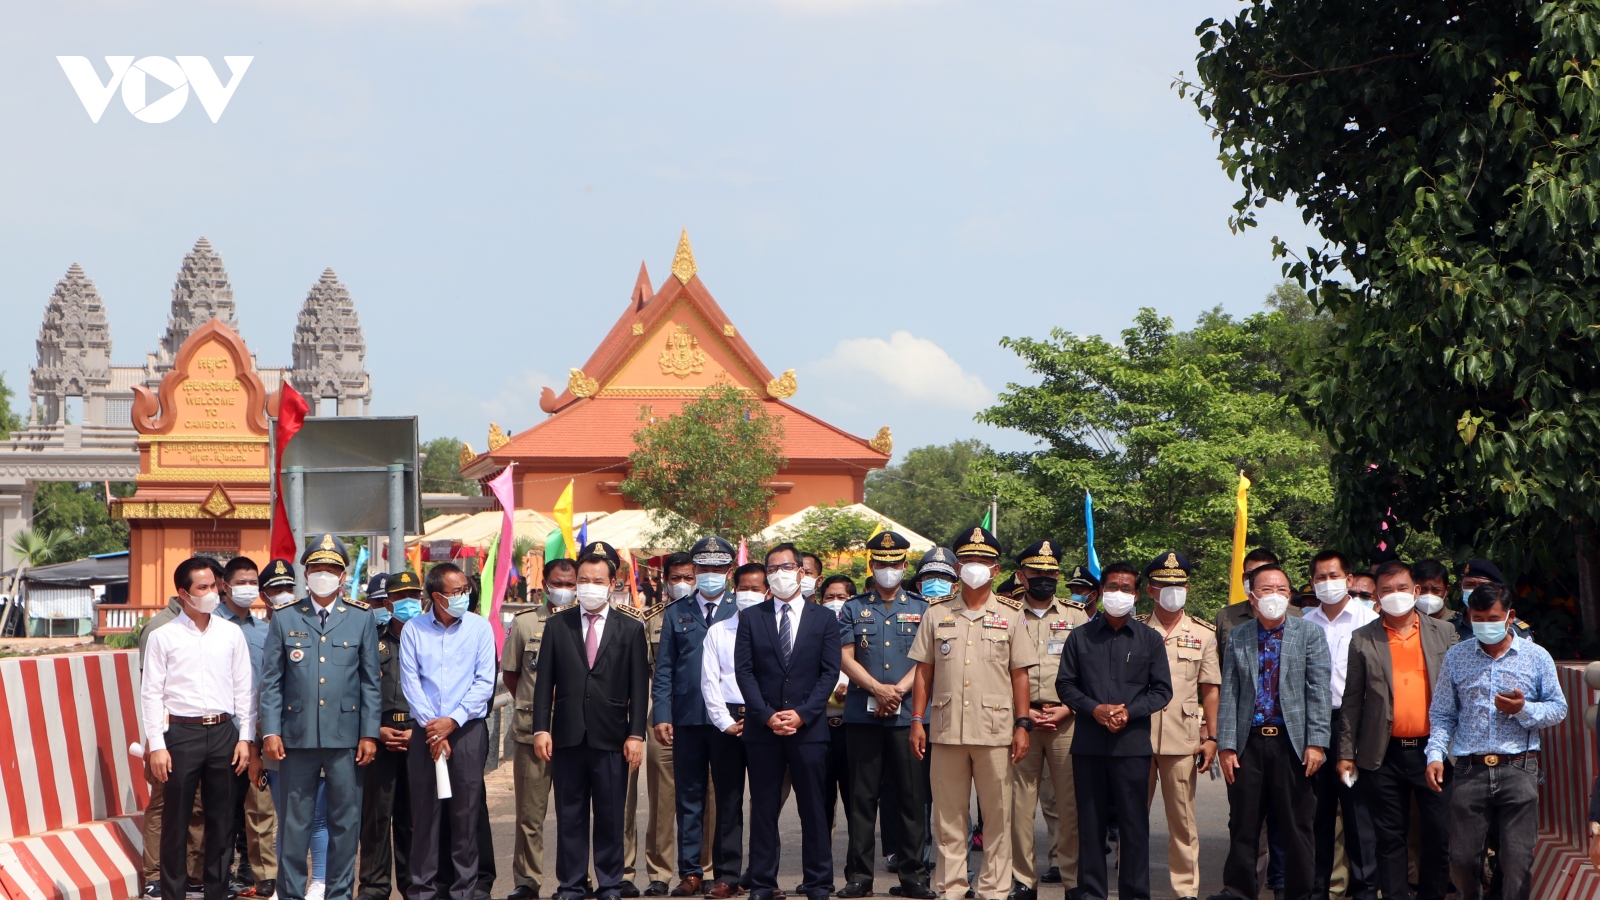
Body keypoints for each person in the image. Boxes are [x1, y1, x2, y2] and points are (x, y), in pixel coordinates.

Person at [908, 527, 1034, 900]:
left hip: (996, 732)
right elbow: (923, 672)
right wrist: (917, 721)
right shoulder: (937, 613)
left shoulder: (1012, 615)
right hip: (946, 730)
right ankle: (950, 886)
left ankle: (994, 889)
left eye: (983, 562)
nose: (974, 567)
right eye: (968, 561)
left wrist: (1023, 725)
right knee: (948, 817)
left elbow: (1020, 674)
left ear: (996, 570)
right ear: (957, 567)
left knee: (997, 816)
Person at [1425, 581, 1567, 900]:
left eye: (1492, 618)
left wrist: (1523, 709)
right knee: (1462, 860)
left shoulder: (1536, 656)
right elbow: (1443, 713)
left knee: (1517, 861)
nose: (1484, 625)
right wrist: (1435, 754)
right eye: (1477, 618)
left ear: (1509, 616)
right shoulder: (1456, 657)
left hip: (1519, 767)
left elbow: (1559, 708)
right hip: (1468, 770)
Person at [259, 535, 380, 900]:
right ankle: (292, 894)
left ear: (343, 576)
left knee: (346, 823)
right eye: (316, 569)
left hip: (346, 738)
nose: (323, 575)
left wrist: (369, 734)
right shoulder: (286, 617)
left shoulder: (361, 617)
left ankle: (339, 894)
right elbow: (271, 682)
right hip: (296, 737)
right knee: (295, 824)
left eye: (331, 569)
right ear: (306, 573)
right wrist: (270, 731)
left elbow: (370, 682)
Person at [531, 551, 651, 900]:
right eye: (583, 580)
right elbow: (544, 685)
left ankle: (610, 883)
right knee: (570, 815)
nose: (589, 587)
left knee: (611, 816)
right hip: (567, 736)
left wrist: (636, 733)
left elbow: (638, 687)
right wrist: (541, 728)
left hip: (613, 737)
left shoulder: (630, 627)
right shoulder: (557, 625)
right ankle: (571, 884)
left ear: (612, 585)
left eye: (598, 581)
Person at [1337, 560, 1458, 900]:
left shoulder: (1444, 634)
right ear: (1376, 596)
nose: (1395, 596)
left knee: (1437, 835)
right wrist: (1346, 753)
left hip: (1433, 752)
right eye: (1386, 590)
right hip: (1384, 753)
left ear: (1416, 591)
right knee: (1390, 838)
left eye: (1402, 588)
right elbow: (1352, 701)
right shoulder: (1363, 639)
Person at [1055, 554, 1173, 900]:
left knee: (1133, 826)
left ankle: (1134, 893)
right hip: (1089, 745)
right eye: (1112, 587)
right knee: (1089, 826)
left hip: (1132, 746)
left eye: (1126, 588)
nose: (1118, 592)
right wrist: (1095, 709)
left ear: (1137, 594)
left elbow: (1162, 689)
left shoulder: (1150, 640)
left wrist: (1129, 711)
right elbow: (1066, 685)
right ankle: (1092, 893)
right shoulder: (1080, 637)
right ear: (1100, 592)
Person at [1212, 563, 1332, 900]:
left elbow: (1318, 691)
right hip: (1249, 743)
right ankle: (1238, 891)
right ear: (1252, 597)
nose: (1274, 596)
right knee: (1244, 826)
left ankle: (1296, 893)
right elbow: (1230, 691)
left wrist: (1317, 742)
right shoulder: (1239, 635)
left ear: (1290, 595)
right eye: (1266, 589)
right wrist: (1226, 745)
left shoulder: (1308, 633)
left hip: (1292, 744)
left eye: (1281, 589)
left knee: (1297, 827)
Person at [142, 557, 257, 900]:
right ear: (184, 593)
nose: (211, 593)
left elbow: (244, 689)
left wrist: (246, 738)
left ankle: (216, 892)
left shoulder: (231, 633)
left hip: (224, 733)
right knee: (176, 822)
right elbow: (151, 693)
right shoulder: (163, 637)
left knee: (222, 822)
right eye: (202, 587)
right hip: (181, 734)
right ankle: (173, 893)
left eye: (214, 586)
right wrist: (157, 744)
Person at [734, 542, 843, 900]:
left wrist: (803, 713)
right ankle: (763, 882)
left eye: (787, 567)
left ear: (801, 571)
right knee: (764, 809)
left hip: (808, 729)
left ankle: (818, 882)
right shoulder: (752, 618)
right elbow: (744, 673)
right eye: (773, 568)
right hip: (763, 731)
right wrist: (766, 716)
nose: (780, 574)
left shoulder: (824, 618)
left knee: (813, 809)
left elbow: (829, 673)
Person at [835, 532, 936, 899]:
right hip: (864, 716)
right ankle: (859, 876)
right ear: (871, 566)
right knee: (862, 800)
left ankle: (914, 876)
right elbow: (845, 656)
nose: (888, 570)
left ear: (905, 566)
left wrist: (897, 693)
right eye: (881, 563)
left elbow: (927, 660)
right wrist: (878, 689)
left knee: (912, 799)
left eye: (895, 564)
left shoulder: (924, 607)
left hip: (909, 716)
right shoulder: (852, 607)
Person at [397, 562, 498, 900]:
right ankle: (423, 889)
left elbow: (485, 682)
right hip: (426, 731)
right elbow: (411, 683)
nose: (462, 597)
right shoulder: (413, 629)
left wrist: (452, 721)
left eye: (465, 591)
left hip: (466, 731)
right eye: (455, 593)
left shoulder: (479, 628)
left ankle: (464, 889)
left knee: (465, 815)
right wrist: (434, 729)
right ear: (436, 596)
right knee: (425, 815)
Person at [652, 536, 740, 897]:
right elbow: (665, 670)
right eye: (704, 568)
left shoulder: (743, 610)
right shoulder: (677, 612)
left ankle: (727, 874)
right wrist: (661, 713)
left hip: (730, 719)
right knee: (689, 796)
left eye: (718, 568)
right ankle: (690, 872)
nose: (710, 575)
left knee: (729, 797)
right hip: (687, 716)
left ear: (729, 571)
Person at [1000, 544, 1089, 900]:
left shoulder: (1077, 616)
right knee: (1019, 805)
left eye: (1050, 574)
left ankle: (1072, 880)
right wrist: (1022, 711)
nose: (1044, 580)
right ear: (1021, 576)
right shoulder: (1005, 614)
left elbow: (1090, 670)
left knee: (1070, 804)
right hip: (1018, 720)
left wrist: (1069, 707)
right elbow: (997, 668)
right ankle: (1023, 880)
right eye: (1036, 574)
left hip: (1067, 718)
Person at [1137, 555, 1218, 900]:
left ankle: (1185, 890)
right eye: (1166, 586)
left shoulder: (1203, 634)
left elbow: (1210, 688)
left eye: (1179, 586)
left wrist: (1211, 736)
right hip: (1136, 736)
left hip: (1182, 738)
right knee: (1132, 818)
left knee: (1183, 822)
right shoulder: (1135, 628)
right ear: (1151, 590)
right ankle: (1133, 885)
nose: (1174, 592)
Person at [1301, 551, 1379, 900]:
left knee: (1357, 813)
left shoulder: (1370, 620)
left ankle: (1365, 890)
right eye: (1320, 578)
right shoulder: (1304, 623)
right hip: (1314, 726)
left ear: (1349, 580)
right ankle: (1318, 889)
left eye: (1333, 576)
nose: (1326, 583)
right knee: (1316, 814)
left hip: (1357, 727)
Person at [504, 558, 577, 900]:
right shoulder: (524, 623)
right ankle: (527, 880)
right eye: (557, 582)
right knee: (530, 814)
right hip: (531, 731)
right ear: (545, 583)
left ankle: (574, 878)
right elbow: (512, 674)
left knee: (572, 813)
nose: (563, 589)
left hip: (574, 732)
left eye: (570, 583)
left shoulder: (585, 622)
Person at [694, 560, 765, 899]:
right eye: (744, 588)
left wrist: (762, 717)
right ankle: (727, 876)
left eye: (756, 589)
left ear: (767, 592)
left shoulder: (774, 633)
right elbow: (709, 682)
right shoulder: (718, 631)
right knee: (729, 800)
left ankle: (765, 876)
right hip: (727, 723)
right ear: (734, 591)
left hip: (765, 721)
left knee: (764, 802)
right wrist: (725, 723)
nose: (748, 594)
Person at [359, 572, 424, 900]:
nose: (408, 602)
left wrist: (419, 730)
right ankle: (373, 885)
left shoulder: (429, 639)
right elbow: (358, 690)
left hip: (418, 736)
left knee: (413, 817)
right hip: (379, 737)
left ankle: (415, 885)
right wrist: (374, 731)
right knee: (375, 816)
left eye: (414, 595)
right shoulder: (371, 639)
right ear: (387, 603)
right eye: (401, 597)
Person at [216, 557, 277, 899]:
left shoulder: (265, 632)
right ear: (225, 585)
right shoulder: (210, 627)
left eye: (254, 582)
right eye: (241, 581)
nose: (248, 588)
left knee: (259, 808)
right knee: (221, 808)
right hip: (222, 732)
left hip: (255, 733)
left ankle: (257, 872)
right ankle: (218, 873)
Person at [644, 553, 695, 897]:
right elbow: (650, 673)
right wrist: (661, 714)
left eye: (689, 577)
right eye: (675, 577)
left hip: (704, 718)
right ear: (665, 581)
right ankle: (660, 872)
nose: (683, 584)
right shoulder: (650, 621)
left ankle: (703, 868)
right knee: (662, 800)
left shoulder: (721, 615)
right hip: (662, 717)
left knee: (706, 795)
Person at [1447, 559, 1537, 645]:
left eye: (1484, 585)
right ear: (1461, 586)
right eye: (1470, 585)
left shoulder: (1515, 630)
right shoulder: (1449, 627)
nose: (1476, 591)